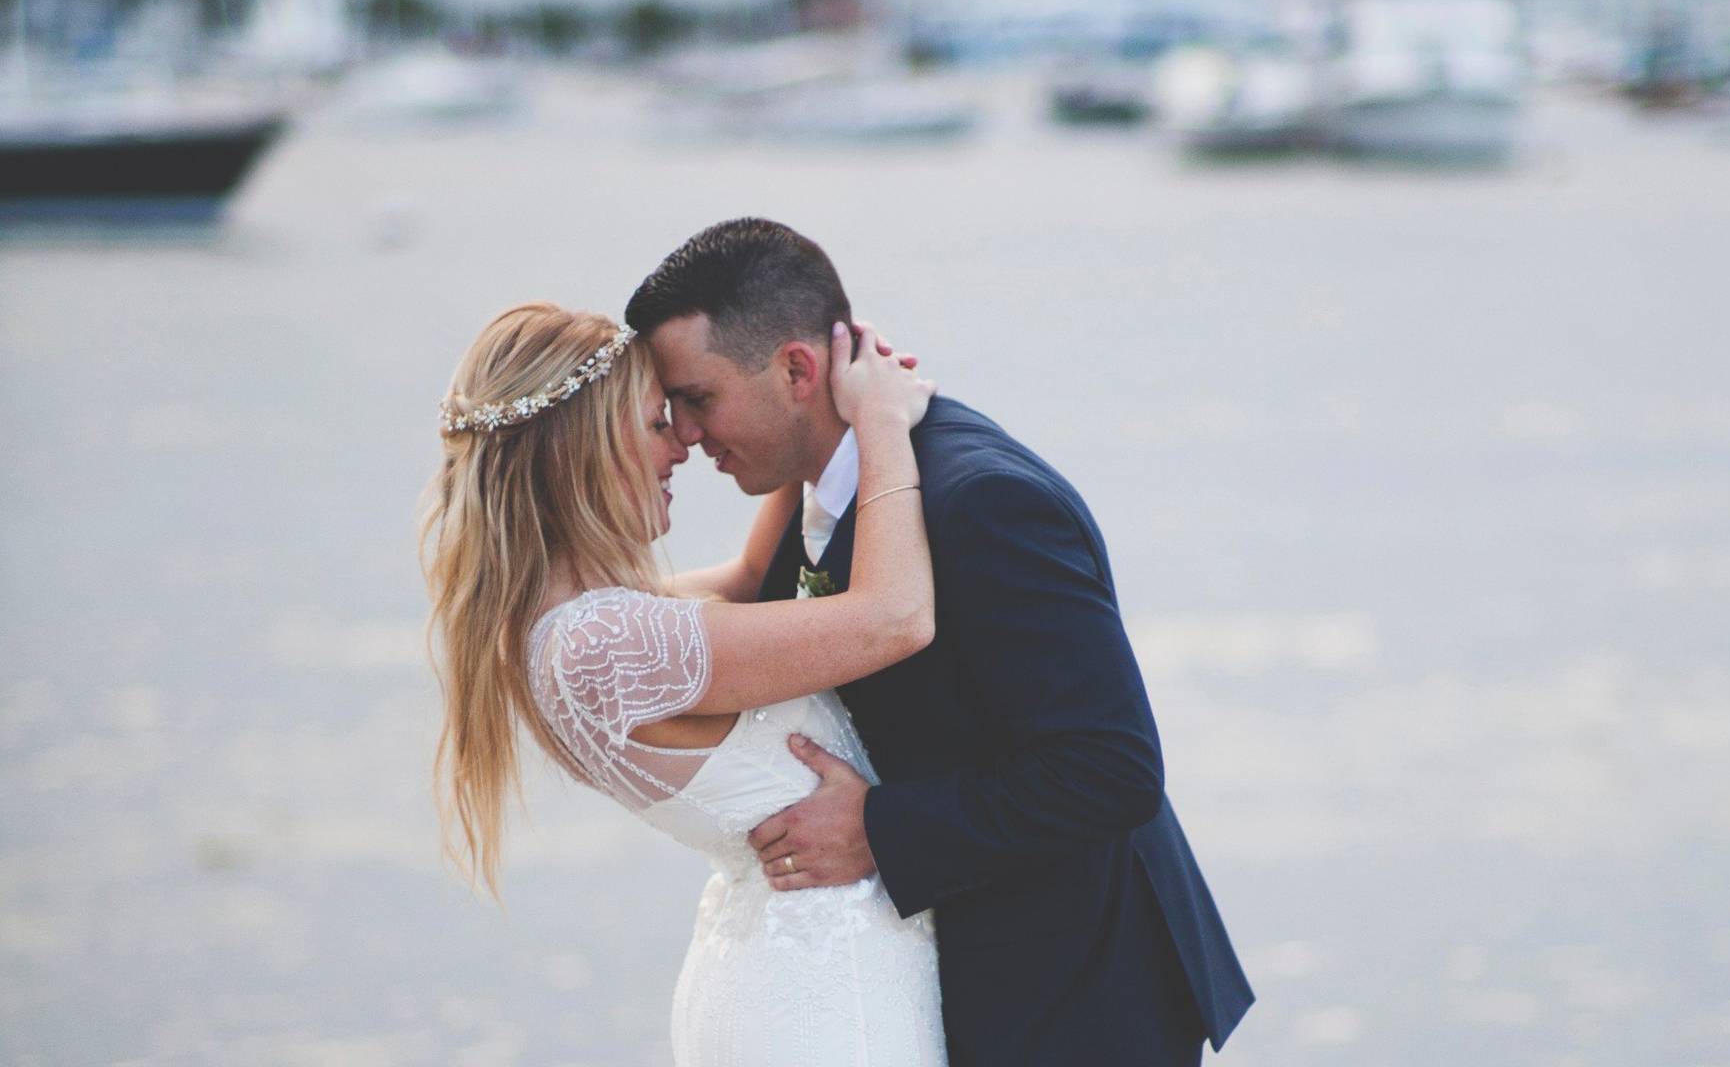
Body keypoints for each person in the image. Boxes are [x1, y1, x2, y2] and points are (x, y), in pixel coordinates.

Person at [627, 219, 1255, 1066]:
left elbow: (1113, 768)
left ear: (798, 371)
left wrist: (877, 829)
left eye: (698, 399)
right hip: (951, 977)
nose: (689, 434)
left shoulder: (981, 502)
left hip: (1074, 997)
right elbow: (741, 602)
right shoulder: (821, 488)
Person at [422, 300, 949, 1066]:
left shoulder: (575, 626)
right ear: (582, 452)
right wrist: (882, 427)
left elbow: (744, 582)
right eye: (656, 424)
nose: (685, 444)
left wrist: (800, 420)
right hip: (826, 1002)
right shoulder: (604, 645)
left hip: (790, 971)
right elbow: (895, 617)